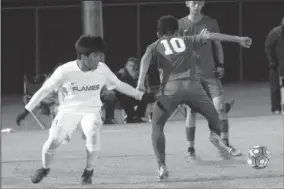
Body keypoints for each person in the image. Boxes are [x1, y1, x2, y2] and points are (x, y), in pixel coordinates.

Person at [16, 35, 154, 185]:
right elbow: (44, 90)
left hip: (91, 110)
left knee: (93, 134)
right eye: (95, 56)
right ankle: (44, 168)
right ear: (83, 57)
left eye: (99, 56)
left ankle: (88, 172)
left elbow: (119, 85)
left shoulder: (102, 69)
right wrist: (26, 110)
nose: (98, 60)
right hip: (68, 111)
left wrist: (141, 95)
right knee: (53, 140)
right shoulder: (65, 71)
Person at [136, 15, 252, 180]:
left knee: (157, 126)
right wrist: (238, 39)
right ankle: (214, 134)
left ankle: (161, 166)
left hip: (170, 90)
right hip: (193, 88)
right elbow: (211, 36)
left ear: (158, 33)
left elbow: (146, 58)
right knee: (216, 116)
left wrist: (140, 82)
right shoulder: (187, 39)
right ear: (177, 30)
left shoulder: (155, 45)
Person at [178, 1, 241, 159]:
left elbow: (218, 46)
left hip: (210, 74)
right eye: (193, 2)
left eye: (199, 2)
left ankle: (225, 143)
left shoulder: (211, 22)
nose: (196, 6)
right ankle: (190, 149)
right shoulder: (180, 24)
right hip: (191, 76)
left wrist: (220, 64)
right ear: (187, 3)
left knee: (220, 109)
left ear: (203, 3)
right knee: (191, 112)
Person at [116, 57, 148, 123]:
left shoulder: (136, 74)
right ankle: (131, 117)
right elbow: (123, 88)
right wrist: (132, 79)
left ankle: (138, 116)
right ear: (126, 66)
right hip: (121, 96)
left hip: (132, 94)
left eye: (134, 66)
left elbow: (138, 88)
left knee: (145, 96)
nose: (132, 68)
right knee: (126, 97)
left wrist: (135, 79)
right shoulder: (122, 73)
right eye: (130, 66)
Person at [265, 16, 284, 114]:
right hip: (276, 63)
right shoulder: (276, 32)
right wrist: (272, 61)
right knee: (275, 86)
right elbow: (268, 46)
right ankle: (276, 108)